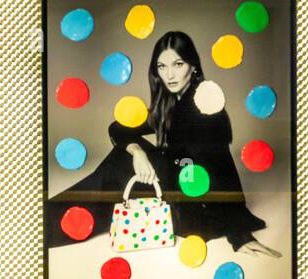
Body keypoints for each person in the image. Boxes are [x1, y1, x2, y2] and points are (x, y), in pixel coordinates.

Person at [49, 30, 278, 257]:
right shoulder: (170, 104)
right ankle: (54, 220)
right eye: (162, 66)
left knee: (117, 165)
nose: (170, 75)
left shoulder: (205, 106)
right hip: (171, 178)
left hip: (191, 204)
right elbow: (118, 127)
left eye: (178, 64)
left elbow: (220, 167)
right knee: (125, 156)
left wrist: (239, 235)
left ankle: (49, 223)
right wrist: (137, 150)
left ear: (193, 66)